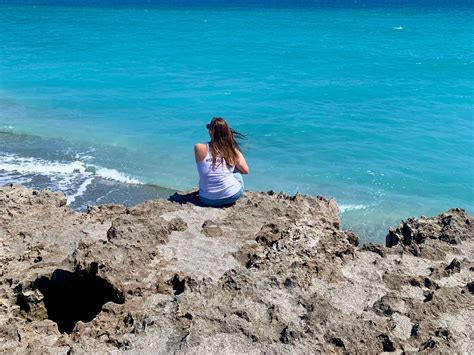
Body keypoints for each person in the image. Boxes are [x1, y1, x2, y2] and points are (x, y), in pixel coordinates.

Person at [195, 117, 249, 206]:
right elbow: (246, 170)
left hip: (206, 199)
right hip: (231, 196)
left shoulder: (198, 148)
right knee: (235, 171)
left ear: (210, 131)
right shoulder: (232, 151)